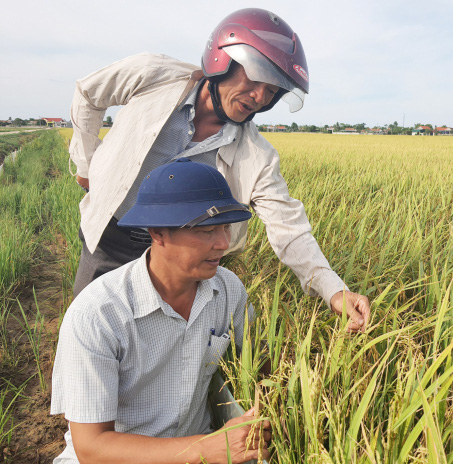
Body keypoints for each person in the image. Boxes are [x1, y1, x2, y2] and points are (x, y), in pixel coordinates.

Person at [69, 7, 370, 332]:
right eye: (257, 79)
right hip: (110, 239)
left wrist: (333, 289)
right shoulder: (153, 75)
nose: (259, 97)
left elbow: (289, 229)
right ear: (222, 60)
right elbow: (89, 94)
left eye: (271, 92)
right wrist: (87, 163)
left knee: (161, 347)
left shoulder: (257, 156)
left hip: (182, 259)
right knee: (88, 330)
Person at [52, 158, 271, 464]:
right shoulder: (98, 314)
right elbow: (92, 448)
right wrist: (210, 447)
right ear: (158, 233)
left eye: (226, 227)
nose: (223, 243)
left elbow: (260, 364)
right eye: (206, 229)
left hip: (199, 449)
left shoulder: (228, 289)